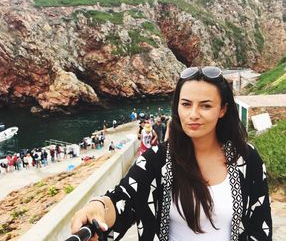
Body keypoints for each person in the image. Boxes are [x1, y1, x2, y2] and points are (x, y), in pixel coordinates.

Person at [70, 66, 272, 240]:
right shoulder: (156, 160)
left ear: (222, 109)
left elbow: (260, 224)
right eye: (186, 104)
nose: (193, 114)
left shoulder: (247, 159)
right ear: (177, 107)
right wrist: (97, 208)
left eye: (206, 106)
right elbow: (123, 198)